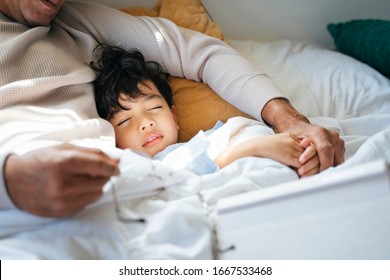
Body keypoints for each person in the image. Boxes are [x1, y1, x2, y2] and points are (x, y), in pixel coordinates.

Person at [0, 0, 344, 218]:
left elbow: (202, 53)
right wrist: (10, 183)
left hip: (123, 193)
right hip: (23, 211)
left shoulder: (74, 19)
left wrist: (289, 122)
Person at [91, 44, 314, 175]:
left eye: (154, 107)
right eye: (124, 121)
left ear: (174, 116)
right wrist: (249, 150)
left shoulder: (216, 135)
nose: (146, 123)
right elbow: (179, 186)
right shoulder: (142, 171)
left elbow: (251, 133)